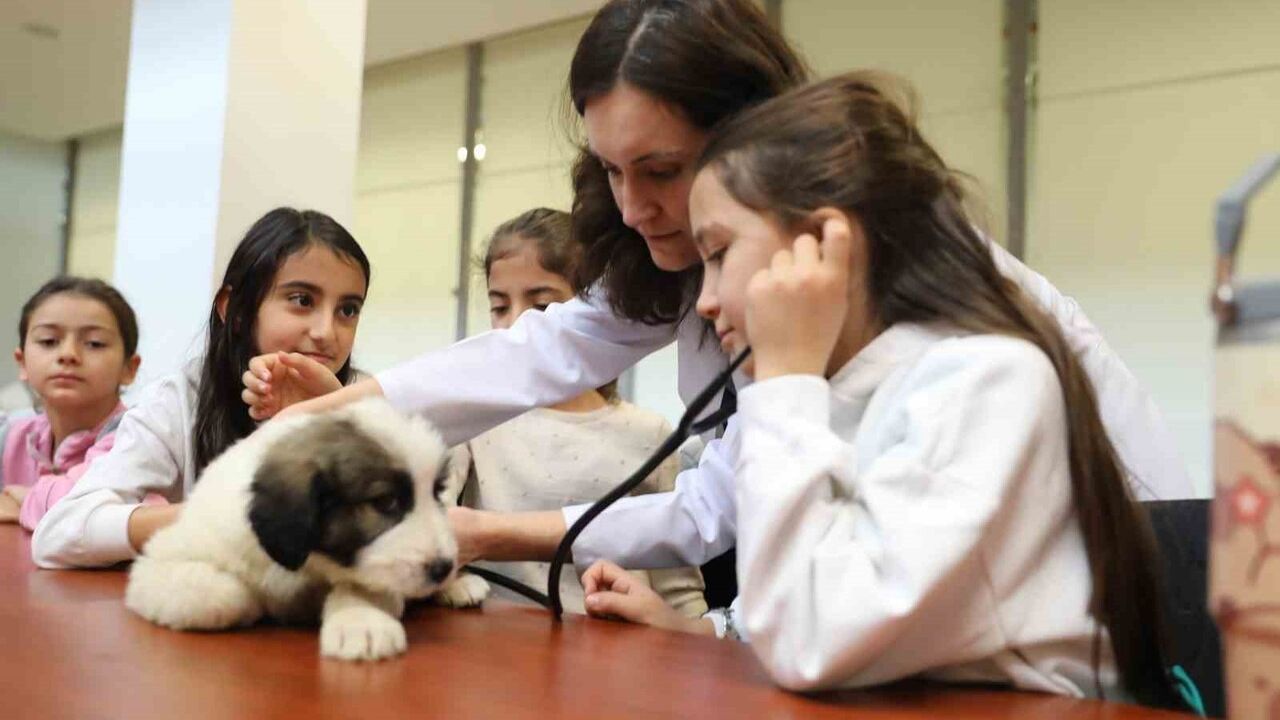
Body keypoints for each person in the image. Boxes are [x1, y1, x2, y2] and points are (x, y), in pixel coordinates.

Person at [243, 0, 1190, 605]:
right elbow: (531, 356)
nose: (633, 206)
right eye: (611, 170)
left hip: (1119, 571)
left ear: (760, 139)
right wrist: (329, 413)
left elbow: (724, 519)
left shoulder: (916, 313)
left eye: (662, 170)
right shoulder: (707, 261)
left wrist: (490, 531)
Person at [575, 73, 1182, 707]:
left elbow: (811, 641)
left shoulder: (987, 381)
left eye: (721, 254)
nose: (705, 300)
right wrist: (696, 628)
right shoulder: (848, 394)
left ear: (822, 246)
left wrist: (784, 382)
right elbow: (801, 610)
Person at [31, 208, 370, 568]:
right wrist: (219, 516)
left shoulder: (368, 400)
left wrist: (334, 420)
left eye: (348, 310)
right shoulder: (179, 402)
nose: (326, 332)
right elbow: (59, 533)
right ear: (235, 310)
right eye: (302, 300)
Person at [449, 208, 706, 617]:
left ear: (595, 313)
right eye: (500, 307)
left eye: (543, 305)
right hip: (496, 654)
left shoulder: (649, 433)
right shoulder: (474, 421)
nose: (518, 326)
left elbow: (679, 591)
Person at [0, 277, 140, 530]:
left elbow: (95, 513)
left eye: (94, 343)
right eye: (49, 341)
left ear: (129, 368)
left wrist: (25, 501)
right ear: (22, 362)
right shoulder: (11, 434)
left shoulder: (139, 437)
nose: (68, 355)